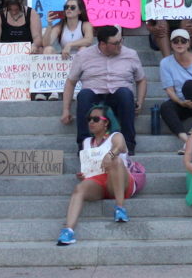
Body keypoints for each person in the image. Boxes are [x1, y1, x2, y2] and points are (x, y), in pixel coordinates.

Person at [56, 104, 145, 246]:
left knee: (115, 161)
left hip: (121, 180)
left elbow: (120, 146)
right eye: (89, 119)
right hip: (100, 181)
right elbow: (89, 165)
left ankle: (120, 208)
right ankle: (68, 230)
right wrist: (83, 174)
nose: (91, 122)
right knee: (79, 188)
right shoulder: (86, 142)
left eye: (96, 119)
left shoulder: (115, 136)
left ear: (106, 122)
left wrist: (110, 155)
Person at [60, 26, 146, 155]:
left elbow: (141, 80)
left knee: (125, 93)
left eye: (121, 40)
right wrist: (66, 110)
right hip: (94, 96)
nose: (120, 45)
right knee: (84, 95)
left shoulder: (130, 54)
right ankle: (84, 145)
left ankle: (128, 143)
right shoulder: (84, 55)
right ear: (102, 44)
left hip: (118, 97)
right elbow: (71, 82)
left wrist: (140, 101)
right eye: (115, 43)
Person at [159, 28, 192, 153]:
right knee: (165, 107)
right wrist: (181, 103)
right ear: (171, 44)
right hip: (181, 101)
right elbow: (169, 90)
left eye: (183, 41)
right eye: (176, 41)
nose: (179, 44)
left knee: (189, 85)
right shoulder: (165, 63)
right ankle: (188, 142)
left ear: (188, 43)